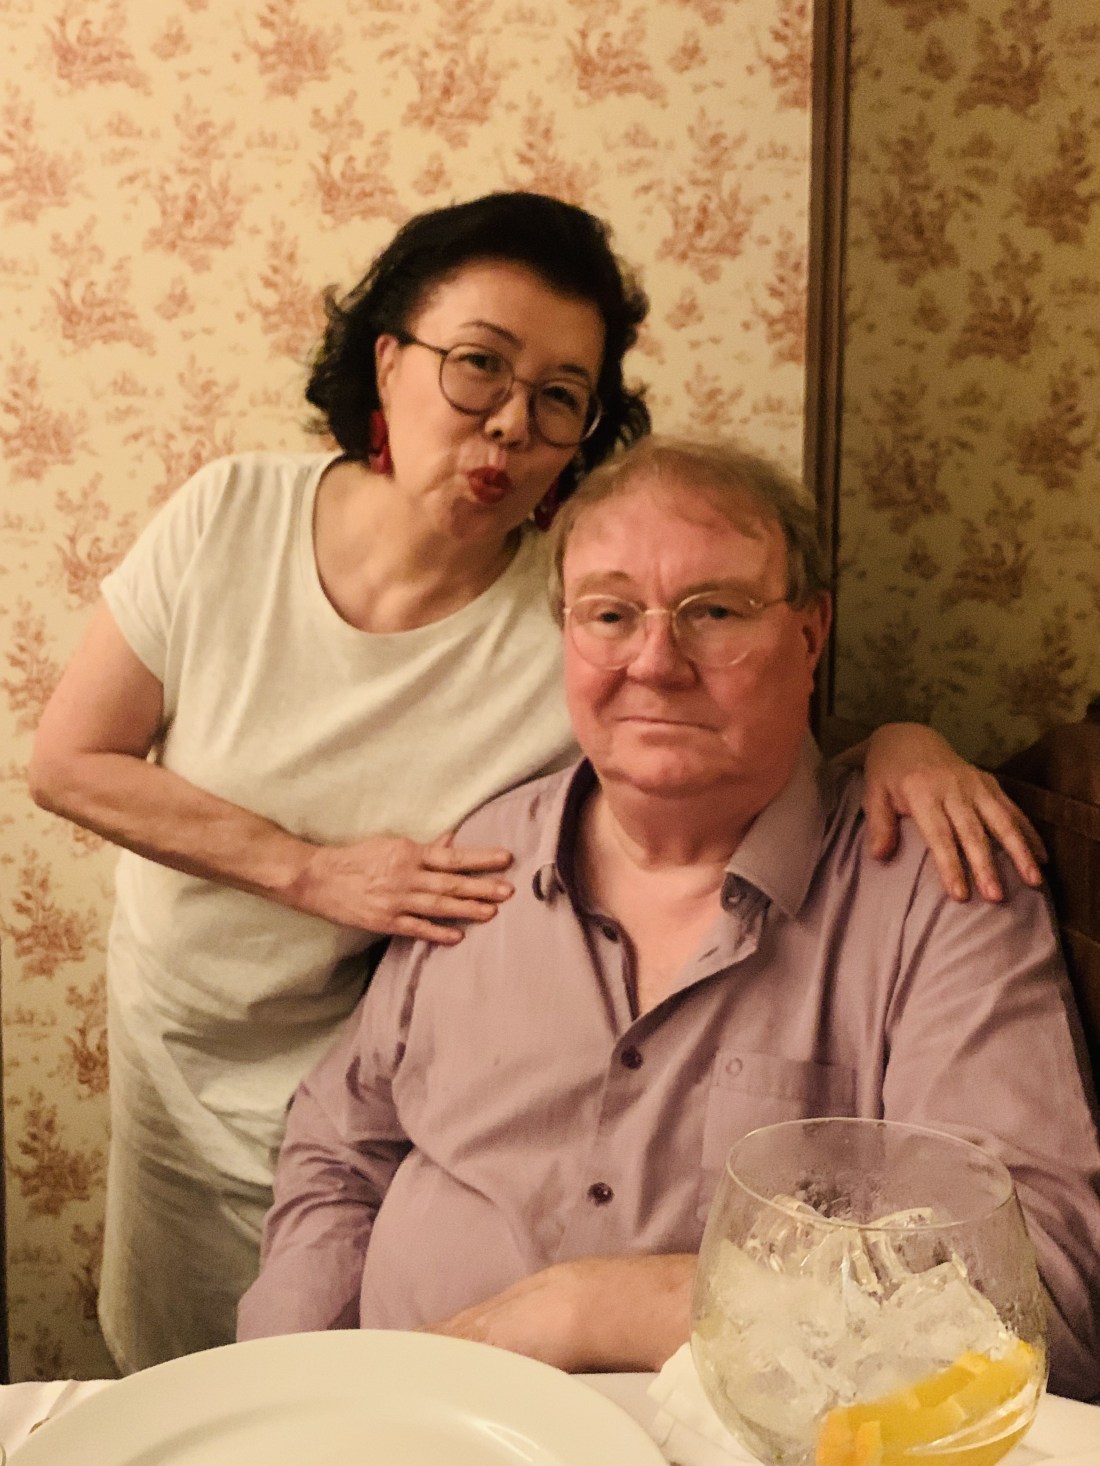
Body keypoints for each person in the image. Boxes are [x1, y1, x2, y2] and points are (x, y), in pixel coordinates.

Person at [29, 194, 1043, 1374]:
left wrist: (906, 741)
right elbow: (67, 760)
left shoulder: (562, 618)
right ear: (388, 361)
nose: (510, 423)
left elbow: (729, 726)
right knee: (190, 1365)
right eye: (478, 365)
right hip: (191, 1045)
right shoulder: (231, 515)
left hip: (381, 1051)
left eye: (560, 394)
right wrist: (314, 872)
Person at [238, 437, 1100, 1401]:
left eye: (715, 611)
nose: (655, 662)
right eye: (610, 614)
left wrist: (598, 1309)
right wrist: (291, 1384)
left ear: (810, 634)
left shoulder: (935, 887)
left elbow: (1035, 1300)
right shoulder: (481, 859)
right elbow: (337, 1149)